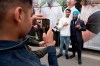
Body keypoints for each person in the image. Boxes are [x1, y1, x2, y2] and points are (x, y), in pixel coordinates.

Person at [0, 0, 58, 66]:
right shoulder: (29, 62)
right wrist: (50, 45)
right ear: (19, 15)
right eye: (31, 15)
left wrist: (26, 21)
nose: (32, 19)